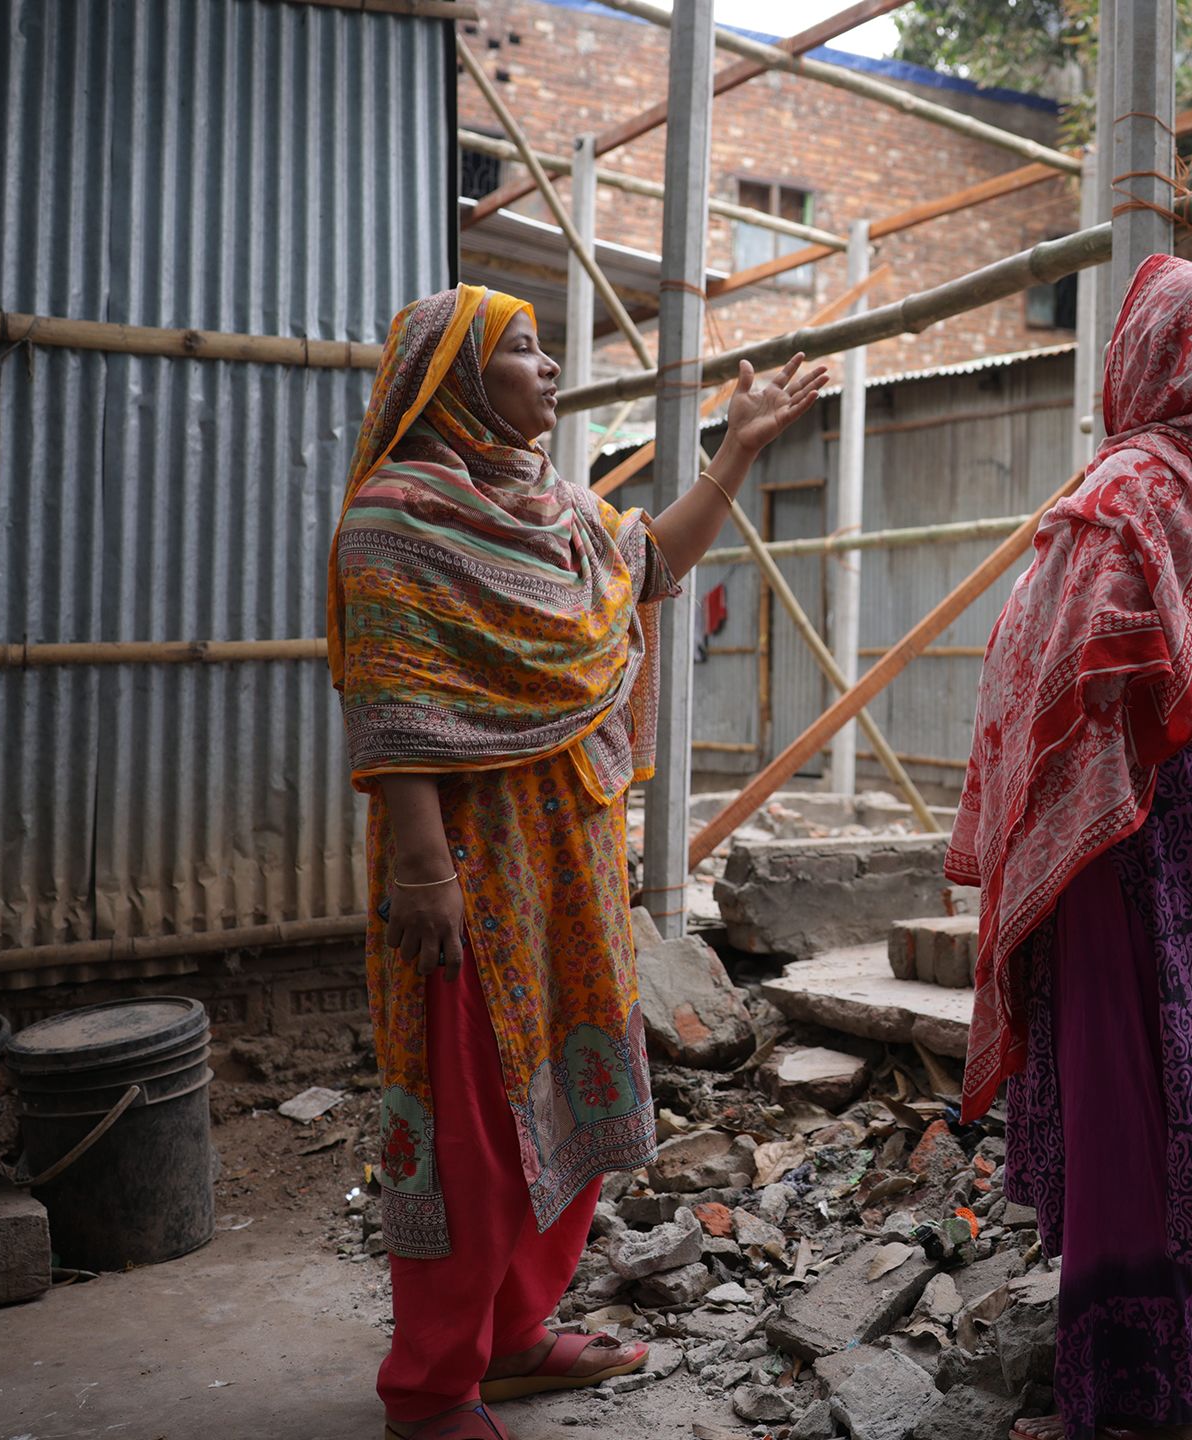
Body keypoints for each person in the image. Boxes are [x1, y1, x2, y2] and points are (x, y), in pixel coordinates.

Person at [329, 284, 824, 1440]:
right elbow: (391, 706)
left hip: (572, 850)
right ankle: (430, 1387)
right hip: (467, 862)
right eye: (522, 351)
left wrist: (735, 451)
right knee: (474, 1122)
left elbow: (649, 564)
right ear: (454, 380)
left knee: (577, 1086)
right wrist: (420, 869)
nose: (551, 368)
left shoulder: (554, 508)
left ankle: (510, 1338)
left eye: (548, 350)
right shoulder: (392, 522)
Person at [949, 255, 1192, 1440]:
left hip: (1148, 831)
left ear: (1134, 361)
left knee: (1139, 1122)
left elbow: (1071, 666)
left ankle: (1142, 1408)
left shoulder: (1135, 487)